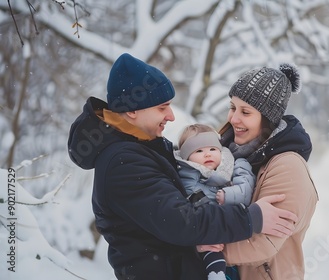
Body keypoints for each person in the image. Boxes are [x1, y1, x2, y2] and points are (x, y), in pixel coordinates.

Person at [67, 53, 298, 280]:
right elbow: (180, 221)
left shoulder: (143, 148)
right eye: (162, 107)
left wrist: (194, 244)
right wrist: (250, 219)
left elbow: (169, 223)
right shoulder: (123, 163)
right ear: (132, 110)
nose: (171, 116)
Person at [219, 63, 319, 279]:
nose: (234, 118)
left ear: (268, 120)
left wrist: (200, 248)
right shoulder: (225, 153)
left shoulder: (287, 166)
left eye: (245, 112)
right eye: (232, 107)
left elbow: (263, 242)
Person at [175, 123, 256, 279]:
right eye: (199, 151)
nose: (207, 154)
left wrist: (228, 195)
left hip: (236, 226)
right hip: (208, 229)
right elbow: (188, 195)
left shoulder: (234, 164)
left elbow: (246, 190)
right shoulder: (186, 175)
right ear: (187, 157)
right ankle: (216, 274)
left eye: (212, 149)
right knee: (211, 247)